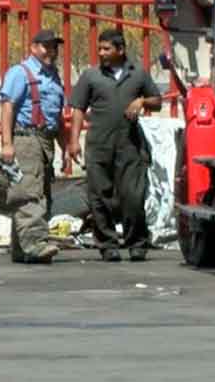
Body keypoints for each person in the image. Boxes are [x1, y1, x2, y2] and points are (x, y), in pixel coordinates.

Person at [69, 28, 162, 262]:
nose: (101, 53)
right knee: (100, 196)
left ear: (120, 50)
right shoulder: (91, 76)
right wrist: (73, 141)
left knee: (133, 195)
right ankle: (107, 244)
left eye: (106, 48)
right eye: (99, 48)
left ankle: (137, 243)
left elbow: (158, 101)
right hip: (99, 145)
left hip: (130, 145)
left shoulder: (138, 74)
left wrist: (141, 101)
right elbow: (78, 109)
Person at [0, 29, 67, 264]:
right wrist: (7, 145)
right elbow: (8, 107)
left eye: (54, 47)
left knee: (42, 190)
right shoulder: (20, 73)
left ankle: (21, 247)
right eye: (45, 47)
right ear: (33, 48)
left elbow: (57, 117)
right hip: (26, 138)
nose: (51, 51)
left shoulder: (53, 76)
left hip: (45, 140)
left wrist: (65, 146)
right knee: (29, 191)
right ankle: (35, 243)